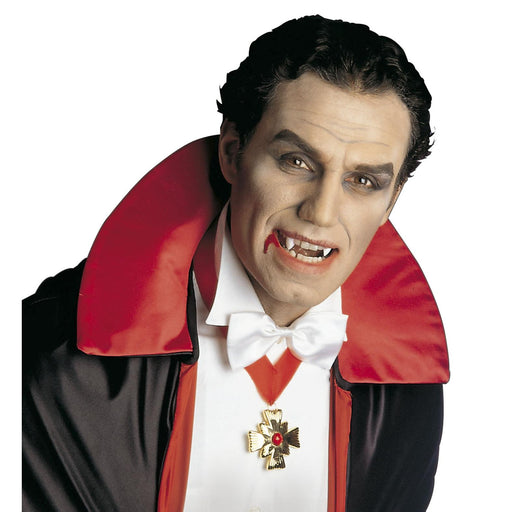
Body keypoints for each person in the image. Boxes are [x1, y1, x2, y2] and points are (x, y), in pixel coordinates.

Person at [22, 15, 449, 512]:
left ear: (392, 201)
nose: (321, 213)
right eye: (296, 162)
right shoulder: (50, 355)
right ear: (233, 154)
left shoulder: (409, 393)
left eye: (363, 181)